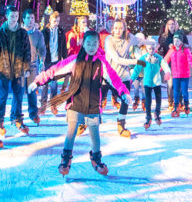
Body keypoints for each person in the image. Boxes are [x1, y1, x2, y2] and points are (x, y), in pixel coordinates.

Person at [28, 31, 132, 176]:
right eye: (88, 43)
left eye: (94, 44)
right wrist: (38, 81)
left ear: (98, 45)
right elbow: (55, 70)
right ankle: (66, 158)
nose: (91, 46)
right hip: (75, 104)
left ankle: (96, 158)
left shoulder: (101, 63)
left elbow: (114, 79)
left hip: (93, 105)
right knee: (71, 132)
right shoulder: (74, 60)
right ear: (83, 44)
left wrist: (123, 93)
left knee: (95, 134)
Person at [0, 6, 31, 135]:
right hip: (4, 69)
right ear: (7, 16)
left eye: (16, 16)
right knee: (2, 96)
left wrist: (26, 67)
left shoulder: (22, 33)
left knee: (18, 96)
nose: (14, 19)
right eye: (12, 16)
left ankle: (17, 118)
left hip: (18, 69)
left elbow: (27, 52)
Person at [104, 19, 146, 137]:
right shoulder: (109, 40)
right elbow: (117, 59)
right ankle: (85, 122)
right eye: (115, 28)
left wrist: (152, 44)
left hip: (124, 76)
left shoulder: (129, 38)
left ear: (124, 29)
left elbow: (142, 41)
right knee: (98, 99)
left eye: (120, 28)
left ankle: (121, 124)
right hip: (110, 76)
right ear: (112, 28)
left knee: (126, 100)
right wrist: (137, 61)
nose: (118, 30)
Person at [10, 9, 46, 125]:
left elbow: (42, 49)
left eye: (32, 18)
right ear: (23, 19)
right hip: (19, 66)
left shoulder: (38, 34)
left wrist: (42, 60)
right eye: (28, 18)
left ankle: (33, 114)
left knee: (32, 90)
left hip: (32, 65)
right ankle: (15, 115)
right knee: (18, 92)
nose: (30, 20)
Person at [130, 38, 171, 129]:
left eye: (153, 48)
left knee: (159, 99)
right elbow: (137, 69)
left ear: (155, 48)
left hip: (156, 82)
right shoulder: (143, 58)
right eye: (149, 49)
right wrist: (132, 79)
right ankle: (148, 117)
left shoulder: (158, 58)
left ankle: (157, 113)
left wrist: (167, 72)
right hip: (147, 82)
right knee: (148, 101)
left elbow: (165, 65)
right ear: (147, 49)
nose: (151, 50)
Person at [164, 31, 192, 117]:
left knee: (184, 91)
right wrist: (158, 69)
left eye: (178, 40)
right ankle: (176, 107)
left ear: (181, 42)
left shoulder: (185, 50)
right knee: (175, 91)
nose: (176, 42)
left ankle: (186, 105)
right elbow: (164, 61)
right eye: (174, 40)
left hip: (184, 75)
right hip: (175, 75)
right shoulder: (171, 50)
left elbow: (191, 60)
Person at [158, 19, 189, 110]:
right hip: (169, 63)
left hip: (179, 63)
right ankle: (171, 102)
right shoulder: (163, 37)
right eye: (169, 24)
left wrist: (184, 45)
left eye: (173, 24)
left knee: (179, 84)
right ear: (167, 26)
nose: (171, 26)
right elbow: (160, 49)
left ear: (176, 25)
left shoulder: (181, 35)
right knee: (170, 84)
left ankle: (180, 101)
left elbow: (186, 46)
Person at [41, 11, 67, 114]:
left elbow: (64, 46)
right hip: (47, 60)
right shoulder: (44, 31)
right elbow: (41, 46)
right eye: (54, 20)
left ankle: (53, 104)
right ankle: (43, 104)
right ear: (50, 20)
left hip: (56, 60)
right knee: (45, 83)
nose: (56, 23)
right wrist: (41, 59)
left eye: (58, 21)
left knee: (54, 83)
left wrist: (65, 59)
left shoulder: (61, 31)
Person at [63, 16, 90, 92]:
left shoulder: (87, 32)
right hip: (75, 59)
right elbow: (71, 47)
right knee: (75, 80)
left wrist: (87, 34)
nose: (85, 24)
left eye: (86, 22)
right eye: (83, 22)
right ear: (78, 24)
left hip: (84, 59)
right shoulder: (72, 33)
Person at [98, 16, 119, 109]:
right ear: (106, 23)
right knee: (104, 80)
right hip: (104, 59)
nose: (111, 23)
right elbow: (98, 45)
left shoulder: (117, 34)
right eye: (109, 22)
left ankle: (115, 98)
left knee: (115, 79)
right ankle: (103, 98)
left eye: (112, 22)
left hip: (115, 60)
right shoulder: (102, 34)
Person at [129, 33, 146, 111]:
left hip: (144, 72)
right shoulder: (132, 49)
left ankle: (144, 101)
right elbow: (130, 60)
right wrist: (131, 68)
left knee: (144, 88)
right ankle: (136, 100)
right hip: (135, 72)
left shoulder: (145, 49)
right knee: (135, 88)